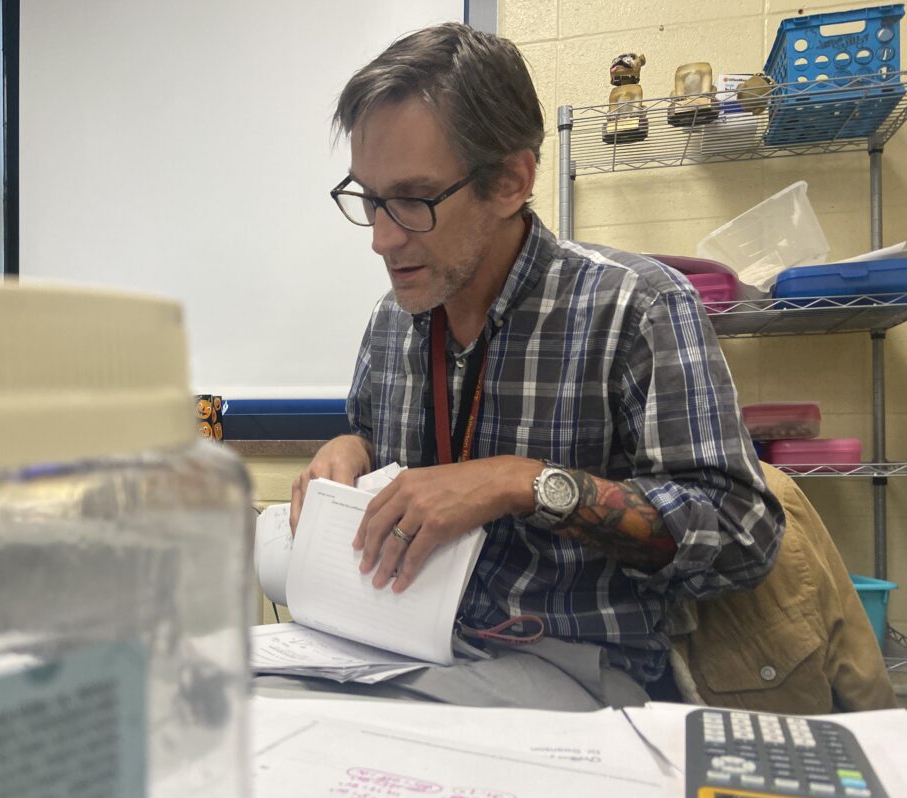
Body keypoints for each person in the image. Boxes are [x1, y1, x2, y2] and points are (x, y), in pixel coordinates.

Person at [284, 23, 784, 709]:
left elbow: (739, 537)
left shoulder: (636, 306)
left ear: (511, 180)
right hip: (400, 647)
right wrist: (347, 451)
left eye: (413, 199)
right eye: (368, 198)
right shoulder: (393, 320)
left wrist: (521, 483)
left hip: (573, 666)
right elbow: (390, 460)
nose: (381, 237)